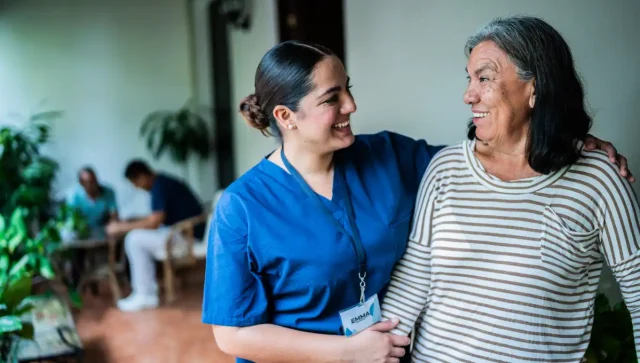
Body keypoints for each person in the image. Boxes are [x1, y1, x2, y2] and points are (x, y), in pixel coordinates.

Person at [201, 40, 634, 363]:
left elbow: (493, 158)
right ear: (285, 117)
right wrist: (347, 353)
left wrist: (568, 140)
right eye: (332, 99)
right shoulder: (241, 207)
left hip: (392, 352)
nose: (352, 104)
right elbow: (233, 336)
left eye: (347, 88)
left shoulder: (390, 156)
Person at [380, 15, 640, 362]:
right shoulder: (446, 168)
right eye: (470, 79)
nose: (468, 94)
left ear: (535, 87)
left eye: (484, 78)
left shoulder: (599, 180)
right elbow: (414, 277)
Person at [106, 159, 204, 311]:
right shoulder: (163, 182)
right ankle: (145, 292)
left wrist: (121, 227)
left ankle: (145, 295)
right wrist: (132, 221)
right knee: (136, 236)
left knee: (134, 239)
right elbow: (156, 217)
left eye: (136, 183)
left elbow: (154, 222)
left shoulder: (160, 186)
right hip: (181, 232)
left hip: (187, 237)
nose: (138, 187)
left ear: (142, 176)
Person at [65, 166, 118, 237]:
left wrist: (114, 226)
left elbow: (113, 214)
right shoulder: (74, 195)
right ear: (81, 184)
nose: (94, 184)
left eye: (95, 180)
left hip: (102, 228)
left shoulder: (108, 192)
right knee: (67, 234)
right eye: (89, 182)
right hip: (82, 230)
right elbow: (71, 218)